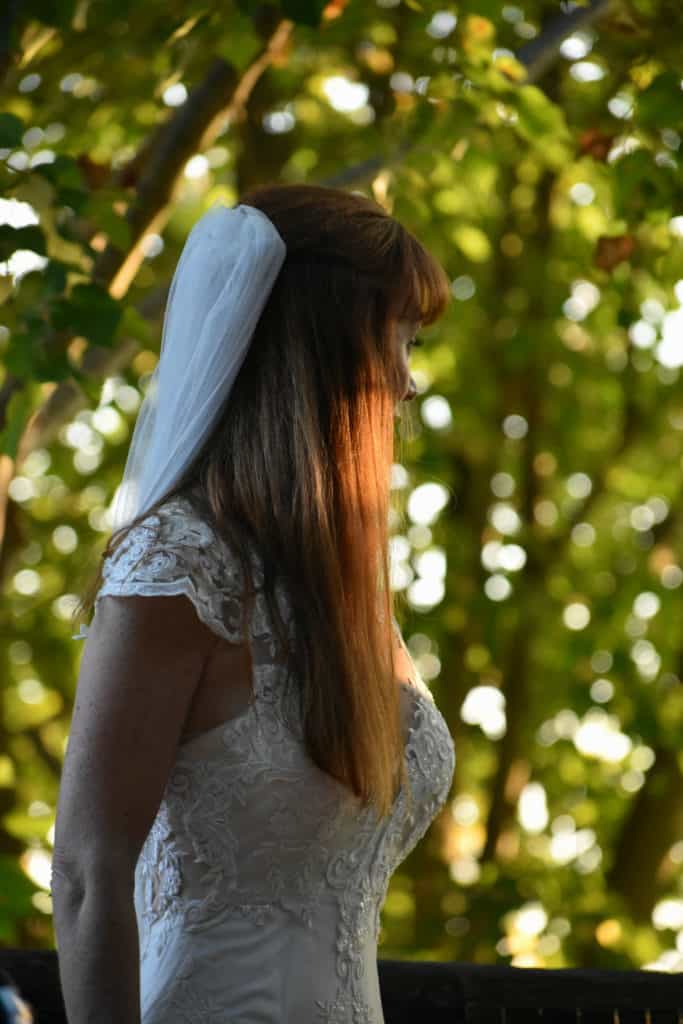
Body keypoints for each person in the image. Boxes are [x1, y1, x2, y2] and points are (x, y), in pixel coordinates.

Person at [50, 183, 456, 1023]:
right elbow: (88, 872)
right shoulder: (178, 566)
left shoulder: (340, 595)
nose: (407, 381)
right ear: (322, 347)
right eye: (397, 339)